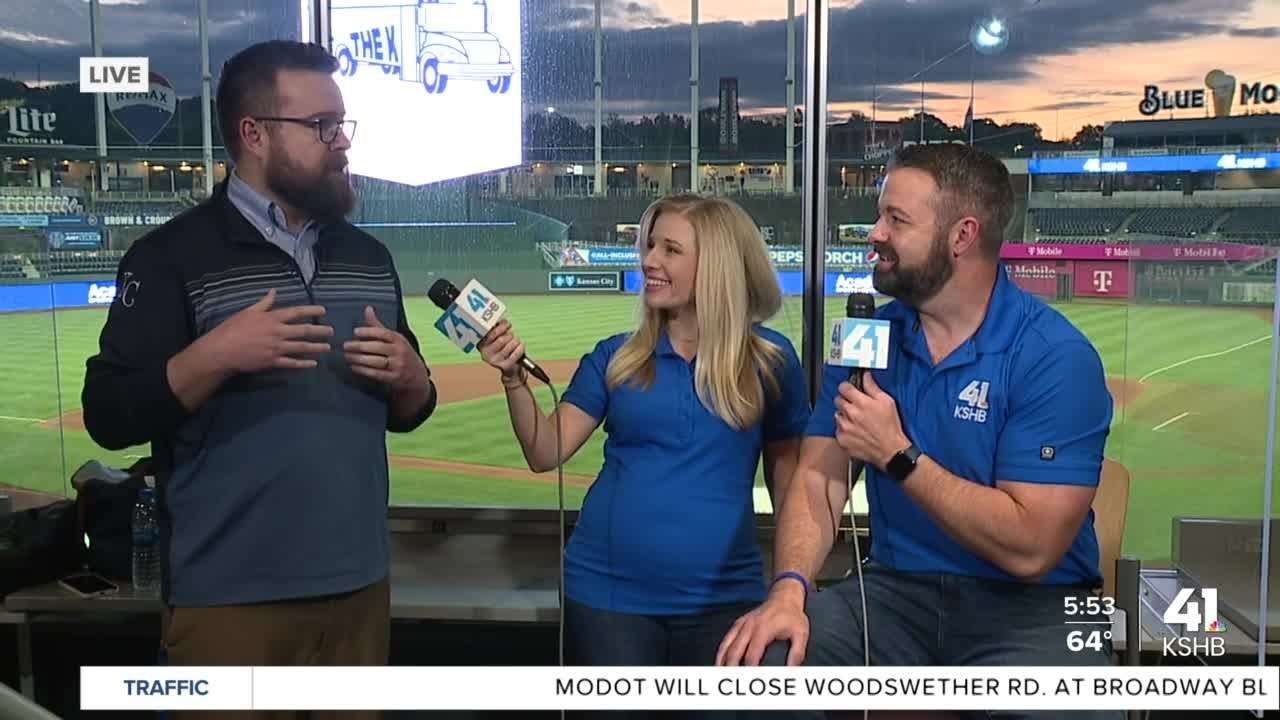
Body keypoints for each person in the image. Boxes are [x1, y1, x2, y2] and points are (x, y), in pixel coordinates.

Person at [81, 40, 436, 719]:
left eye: (342, 124)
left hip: (359, 592)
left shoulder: (367, 255)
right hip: (228, 602)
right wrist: (214, 355)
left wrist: (412, 377)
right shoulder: (171, 257)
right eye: (321, 126)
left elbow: (409, 406)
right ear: (254, 133)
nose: (341, 142)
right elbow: (109, 413)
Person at [717, 144, 1120, 720]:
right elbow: (818, 476)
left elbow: (1032, 549)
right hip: (893, 594)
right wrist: (788, 590)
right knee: (756, 675)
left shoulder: (1054, 356)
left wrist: (899, 455)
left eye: (896, 220)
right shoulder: (866, 341)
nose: (874, 233)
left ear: (962, 235)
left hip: (1037, 609)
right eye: (880, 215)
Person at [478, 194, 810, 716]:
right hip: (608, 599)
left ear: (716, 264)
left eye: (670, 249)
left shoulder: (770, 361)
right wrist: (512, 378)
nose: (650, 260)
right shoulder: (616, 356)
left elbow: (793, 484)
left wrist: (789, 584)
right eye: (650, 245)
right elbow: (546, 451)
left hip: (726, 601)